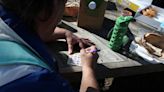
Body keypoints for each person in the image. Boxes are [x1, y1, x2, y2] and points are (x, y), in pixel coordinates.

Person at [0, 0, 99, 92]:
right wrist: (88, 69)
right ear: (54, 5)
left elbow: (14, 29)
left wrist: (62, 32)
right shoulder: (41, 83)